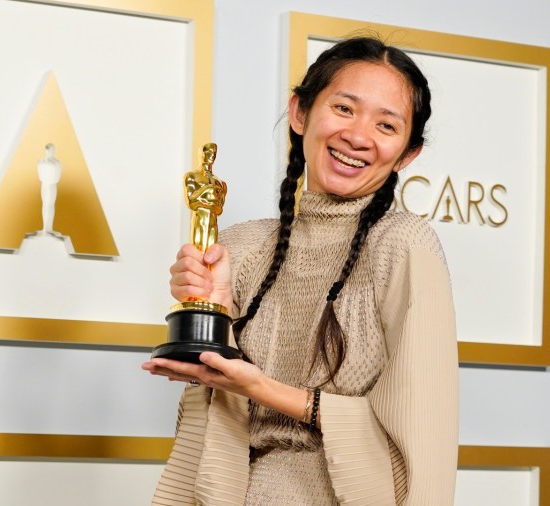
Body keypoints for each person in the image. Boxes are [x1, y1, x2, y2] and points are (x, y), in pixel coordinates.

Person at [142, 36, 458, 505]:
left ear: (407, 154)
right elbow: (217, 413)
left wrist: (266, 389)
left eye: (387, 125)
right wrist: (214, 311)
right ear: (300, 113)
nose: (358, 135)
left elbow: (421, 433)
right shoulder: (243, 246)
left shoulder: (403, 244)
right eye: (345, 108)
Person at [37, 143, 62, 236]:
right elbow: (40, 174)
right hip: (46, 184)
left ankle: (48, 228)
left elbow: (57, 177)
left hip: (50, 185)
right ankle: (45, 228)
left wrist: (49, 180)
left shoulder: (55, 162)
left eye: (51, 150)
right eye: (49, 150)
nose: (50, 151)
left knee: (49, 204)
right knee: (46, 204)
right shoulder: (42, 161)